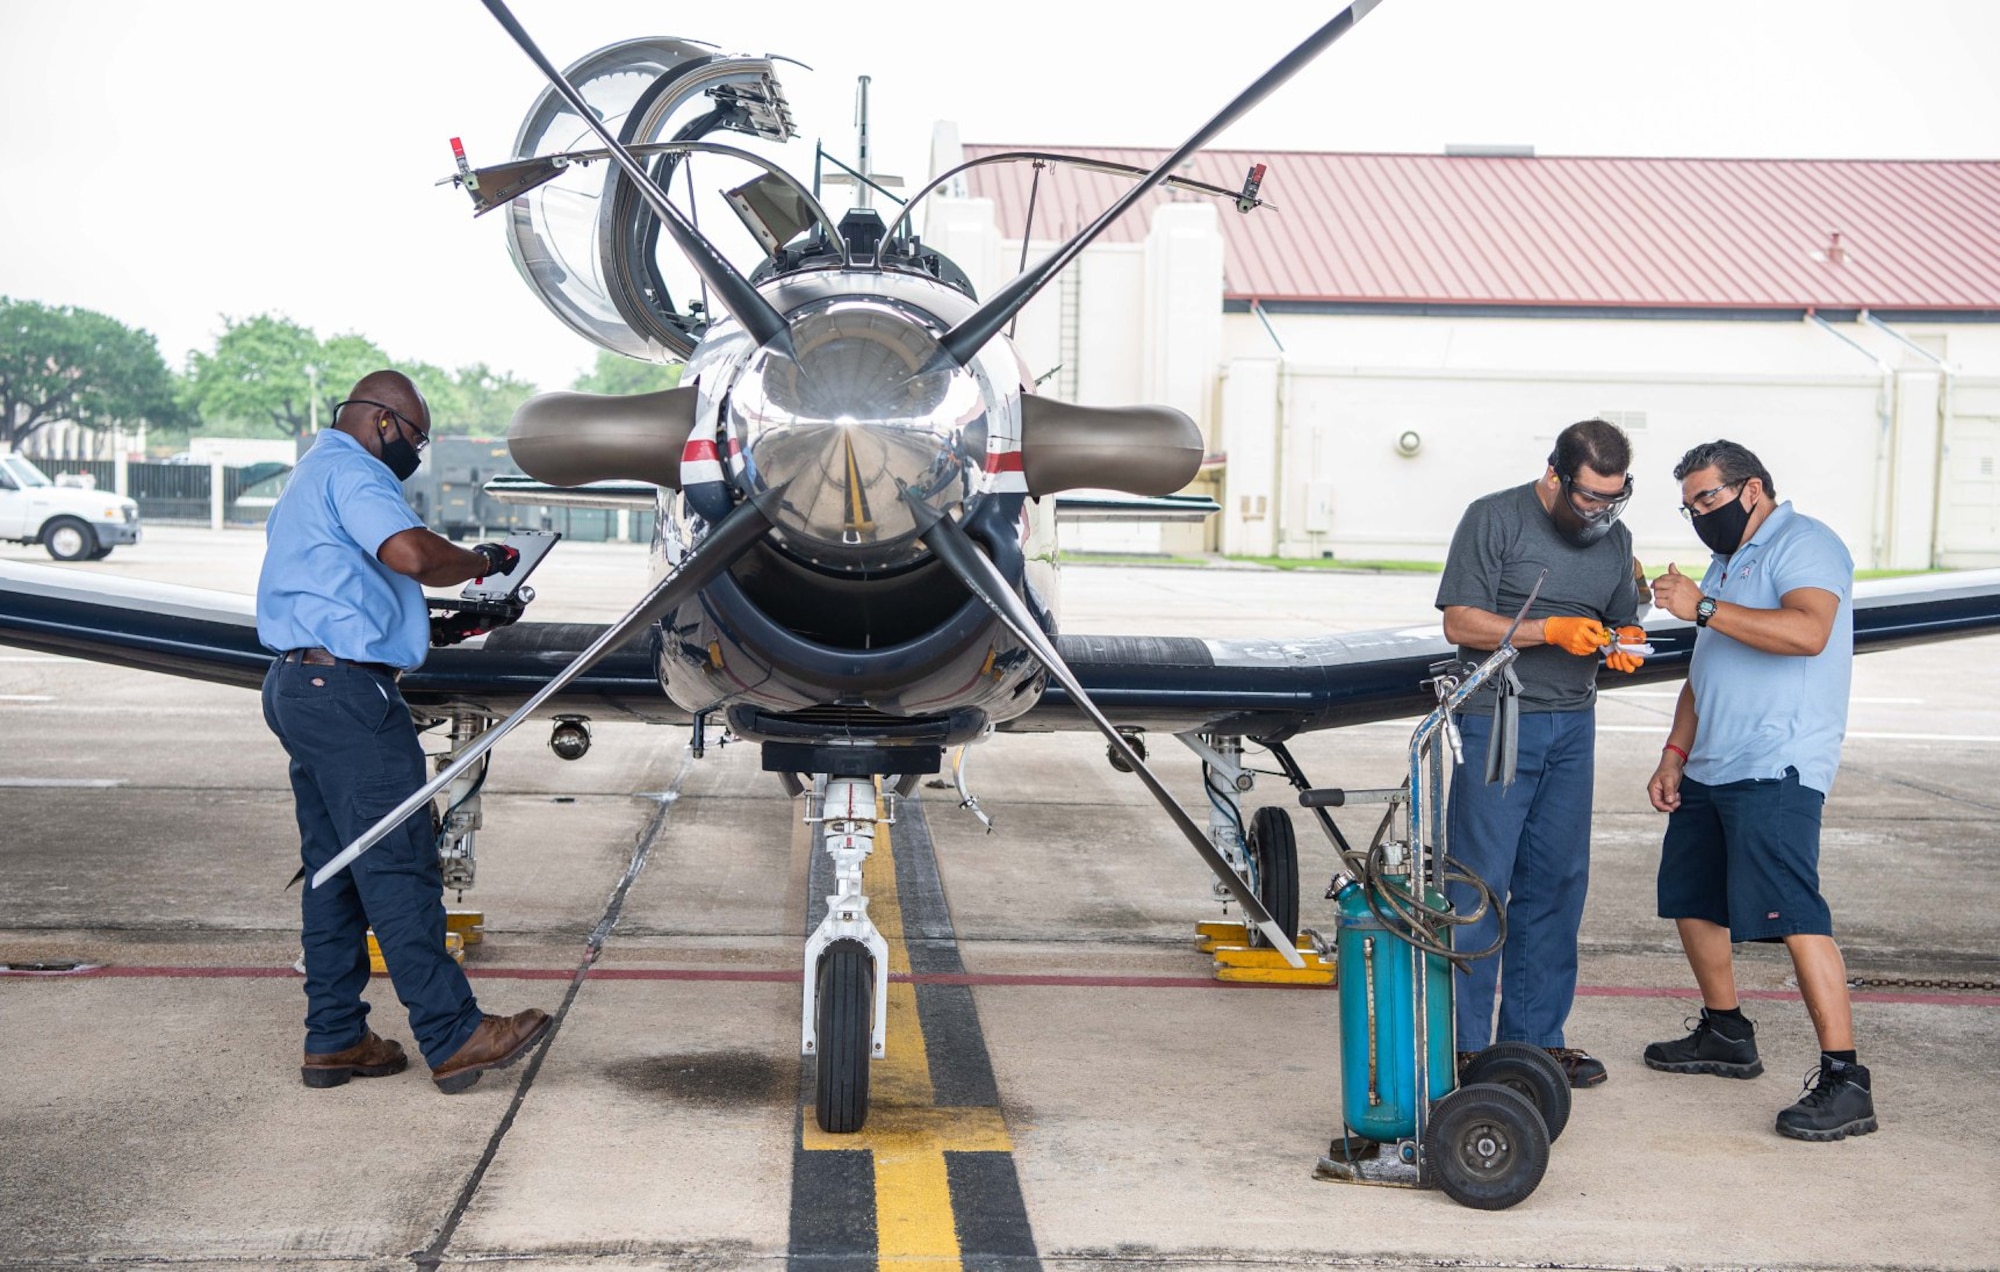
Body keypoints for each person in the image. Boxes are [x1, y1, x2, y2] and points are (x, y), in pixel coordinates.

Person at [257, 369, 551, 1094]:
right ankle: (453, 1034)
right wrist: (487, 561)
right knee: (396, 865)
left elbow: (349, 590)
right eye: (415, 439)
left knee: (336, 870)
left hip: (302, 684)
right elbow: (412, 555)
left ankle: (336, 1037)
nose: (415, 454)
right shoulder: (358, 473)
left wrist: (429, 624)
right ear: (384, 423)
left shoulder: (312, 473)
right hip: (347, 697)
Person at [1644, 440, 1872, 1141]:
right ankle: (1726, 1032)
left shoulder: (1803, 544)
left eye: (1706, 499)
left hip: (1778, 763)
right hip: (1713, 762)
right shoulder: (1727, 560)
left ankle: (1846, 1081)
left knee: (1796, 914)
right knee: (1690, 899)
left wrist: (1703, 605)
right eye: (1688, 507)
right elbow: (1703, 673)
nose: (1697, 515)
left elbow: (1808, 631)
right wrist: (1675, 752)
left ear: (1752, 489)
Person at [1436, 418, 1647, 1090]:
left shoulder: (1615, 538)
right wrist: (1546, 630)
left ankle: (1534, 1042)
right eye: (1589, 498)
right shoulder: (1494, 518)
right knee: (1479, 884)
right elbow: (1460, 619)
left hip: (1572, 726)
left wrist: (1626, 641)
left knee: (1555, 886)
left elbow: (1623, 618)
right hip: (1499, 720)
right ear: (1555, 474)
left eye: (1615, 499)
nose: (1601, 512)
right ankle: (1464, 1048)